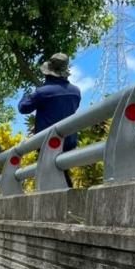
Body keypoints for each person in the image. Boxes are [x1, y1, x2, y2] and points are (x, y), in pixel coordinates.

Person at [19, 52, 82, 187]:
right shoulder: (76, 92)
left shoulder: (42, 92)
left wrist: (25, 96)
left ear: (48, 73)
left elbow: (24, 108)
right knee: (62, 171)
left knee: (49, 178)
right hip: (69, 141)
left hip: (48, 142)